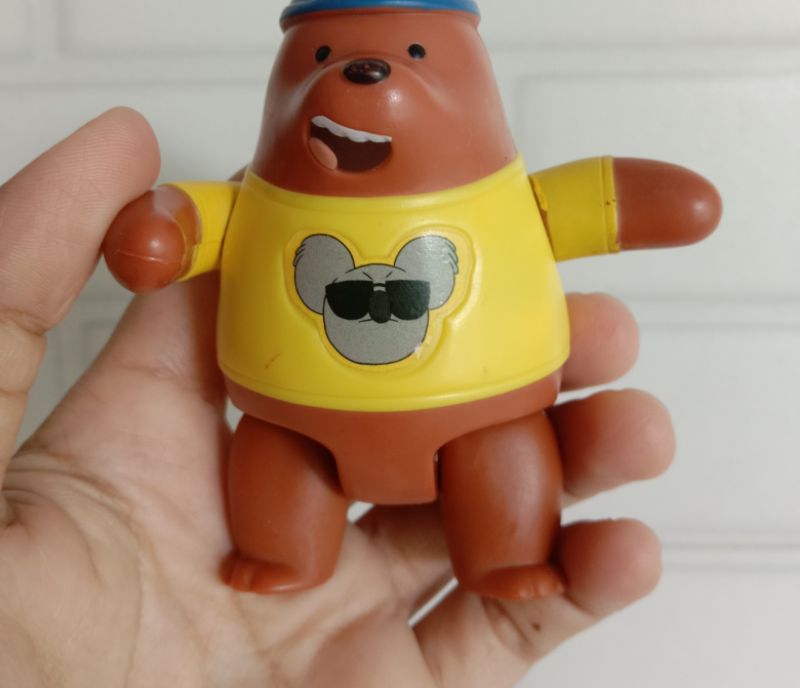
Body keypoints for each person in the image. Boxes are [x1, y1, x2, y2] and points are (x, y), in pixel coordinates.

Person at [0, 108, 674, 687]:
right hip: (293, 420)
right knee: (277, 468)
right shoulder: (260, 204)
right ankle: (282, 553)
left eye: (418, 53)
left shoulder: (505, 197)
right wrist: (168, 228)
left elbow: (584, 203)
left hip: (490, 410)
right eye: (320, 55)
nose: (365, 76)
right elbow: (193, 219)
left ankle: (509, 554)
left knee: (508, 461)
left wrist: (626, 199)